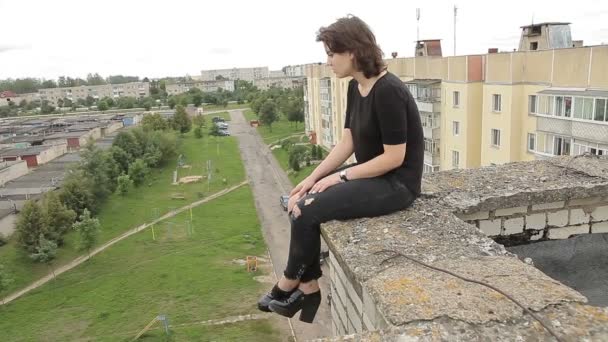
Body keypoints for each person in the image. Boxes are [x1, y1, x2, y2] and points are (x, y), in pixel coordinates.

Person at [258, 15, 424, 323]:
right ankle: (307, 286)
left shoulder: (389, 91)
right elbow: (347, 142)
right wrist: (312, 177)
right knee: (298, 199)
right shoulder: (355, 87)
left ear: (353, 52)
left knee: (307, 210)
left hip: (397, 184)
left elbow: (394, 157)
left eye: (331, 54)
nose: (328, 62)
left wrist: (342, 176)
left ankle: (293, 283)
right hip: (372, 174)